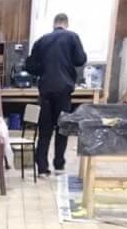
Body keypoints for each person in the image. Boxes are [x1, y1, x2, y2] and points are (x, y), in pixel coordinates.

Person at [26, 13, 87, 176]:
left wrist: (43, 70)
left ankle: (42, 168)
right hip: (63, 90)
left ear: (54, 24)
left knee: (45, 129)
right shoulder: (72, 37)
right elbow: (80, 60)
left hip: (46, 89)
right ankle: (59, 166)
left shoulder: (41, 40)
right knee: (62, 128)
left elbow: (30, 66)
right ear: (66, 24)